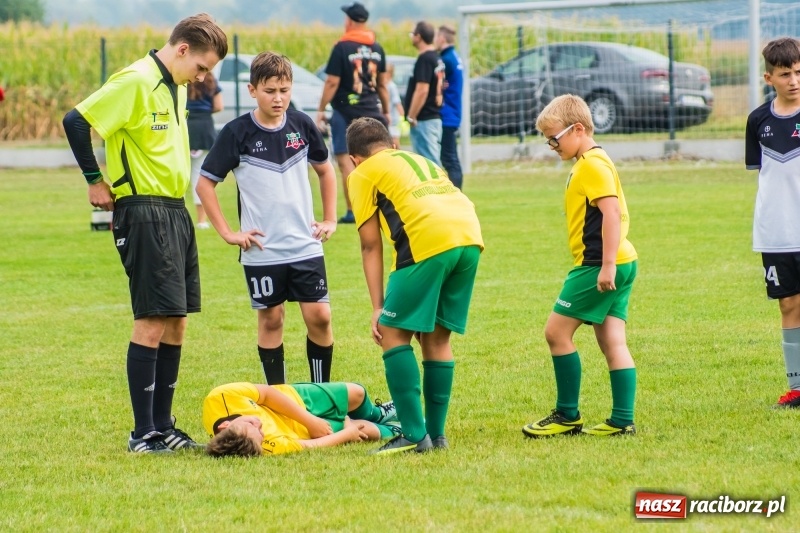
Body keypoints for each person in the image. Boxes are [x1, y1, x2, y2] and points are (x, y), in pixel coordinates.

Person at [61, 14, 228, 454]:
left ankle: (163, 425)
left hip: (174, 209)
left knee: (176, 320)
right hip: (144, 210)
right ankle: (142, 434)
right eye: (202, 67)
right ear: (182, 50)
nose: (203, 77)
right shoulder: (136, 79)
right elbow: (75, 121)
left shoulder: (173, 83)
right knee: (152, 319)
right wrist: (95, 180)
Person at [196, 52, 338, 386]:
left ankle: (321, 393)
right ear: (252, 90)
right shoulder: (237, 132)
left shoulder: (302, 125)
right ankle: (279, 399)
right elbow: (205, 184)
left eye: (284, 90)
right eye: (270, 90)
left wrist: (330, 219)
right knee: (271, 320)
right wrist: (229, 232)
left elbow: (325, 170)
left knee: (320, 316)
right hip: (263, 248)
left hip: (305, 243)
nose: (278, 98)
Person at [345, 117, 484, 454]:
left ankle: (411, 434)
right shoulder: (420, 158)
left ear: (354, 159)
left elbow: (369, 244)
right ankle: (436, 436)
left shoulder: (362, 172)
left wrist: (378, 307)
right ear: (391, 144)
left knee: (391, 332)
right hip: (470, 237)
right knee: (436, 337)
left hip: (429, 240)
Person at [522, 94, 638, 439]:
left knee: (556, 333)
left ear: (577, 129)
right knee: (613, 340)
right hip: (623, 260)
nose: (551, 145)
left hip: (599, 264)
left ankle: (567, 415)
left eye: (554, 138)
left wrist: (605, 266)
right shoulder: (594, 159)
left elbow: (611, 213)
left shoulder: (591, 165)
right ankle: (622, 420)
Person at [745, 37, 800, 408]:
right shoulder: (758, 120)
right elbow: (761, 173)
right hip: (777, 233)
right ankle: (797, 387)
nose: (794, 80)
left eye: (798, 72)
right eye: (785, 74)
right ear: (769, 77)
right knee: (788, 306)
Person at [316, 2, 390, 224]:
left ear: (348, 21)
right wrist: (385, 112)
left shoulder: (342, 47)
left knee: (345, 161)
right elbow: (383, 85)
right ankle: (383, 207)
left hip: (344, 113)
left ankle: (353, 211)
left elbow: (331, 82)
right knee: (379, 163)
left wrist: (320, 109)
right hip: (372, 113)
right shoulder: (377, 48)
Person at [203, 381, 399, 457]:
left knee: (356, 393)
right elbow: (310, 446)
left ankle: (378, 413)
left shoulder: (220, 398)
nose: (260, 425)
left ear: (225, 425)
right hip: (304, 432)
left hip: (296, 401)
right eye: (260, 434)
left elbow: (267, 394)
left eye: (250, 424)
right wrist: (348, 433)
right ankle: (400, 429)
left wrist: (310, 420)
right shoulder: (263, 447)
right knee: (366, 431)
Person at [404, 21, 444, 167]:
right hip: (434, 117)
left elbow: (422, 90)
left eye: (412, 34)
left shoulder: (425, 59)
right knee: (431, 162)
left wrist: (412, 116)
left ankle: (441, 190)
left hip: (425, 119)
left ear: (418, 37)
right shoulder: (436, 57)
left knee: (430, 165)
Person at [187, 71, 223, 229]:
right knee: (199, 175)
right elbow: (219, 106)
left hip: (185, 126)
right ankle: (201, 221)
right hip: (204, 129)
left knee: (180, 174)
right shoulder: (211, 81)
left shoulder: (183, 78)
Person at [435, 25, 464, 190]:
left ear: (441, 38)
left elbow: (437, 84)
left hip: (446, 114)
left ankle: (456, 196)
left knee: (449, 159)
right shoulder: (454, 56)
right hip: (453, 113)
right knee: (451, 158)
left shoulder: (446, 60)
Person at [386, 63, 404, 148]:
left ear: (389, 74)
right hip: (388, 118)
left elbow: (397, 101)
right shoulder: (385, 86)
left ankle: (398, 153)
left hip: (393, 119)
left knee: (394, 139)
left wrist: (402, 113)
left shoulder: (392, 86)